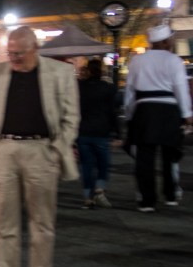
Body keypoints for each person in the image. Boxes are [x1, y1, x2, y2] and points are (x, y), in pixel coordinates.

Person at [0, 26, 79, 267]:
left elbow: (71, 117)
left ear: (35, 49)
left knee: (42, 222)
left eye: (20, 53)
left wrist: (56, 149)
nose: (15, 59)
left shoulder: (61, 72)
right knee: (4, 222)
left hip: (42, 149)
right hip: (3, 150)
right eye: (10, 53)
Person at [124, 24, 193, 212]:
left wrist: (130, 114)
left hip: (144, 110)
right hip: (168, 110)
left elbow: (130, 91)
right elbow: (180, 89)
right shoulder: (174, 60)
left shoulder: (137, 61)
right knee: (169, 154)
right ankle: (170, 194)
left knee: (144, 158)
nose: (172, 42)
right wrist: (187, 114)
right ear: (164, 41)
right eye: (170, 39)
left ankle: (147, 200)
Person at [78, 59, 120, 209]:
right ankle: (99, 188)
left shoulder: (79, 88)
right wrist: (118, 134)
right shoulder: (108, 88)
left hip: (83, 131)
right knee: (104, 164)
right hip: (101, 131)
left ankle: (87, 198)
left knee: (86, 166)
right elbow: (112, 112)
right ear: (101, 71)